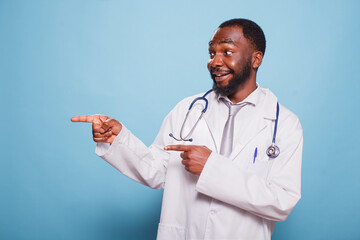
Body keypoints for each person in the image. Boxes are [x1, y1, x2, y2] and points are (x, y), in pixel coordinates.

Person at [71, 18, 303, 240]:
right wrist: (118, 140)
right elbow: (158, 171)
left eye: (227, 52)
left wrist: (211, 168)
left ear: (256, 59)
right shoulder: (188, 110)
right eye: (212, 53)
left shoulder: (283, 123)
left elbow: (282, 201)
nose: (215, 61)